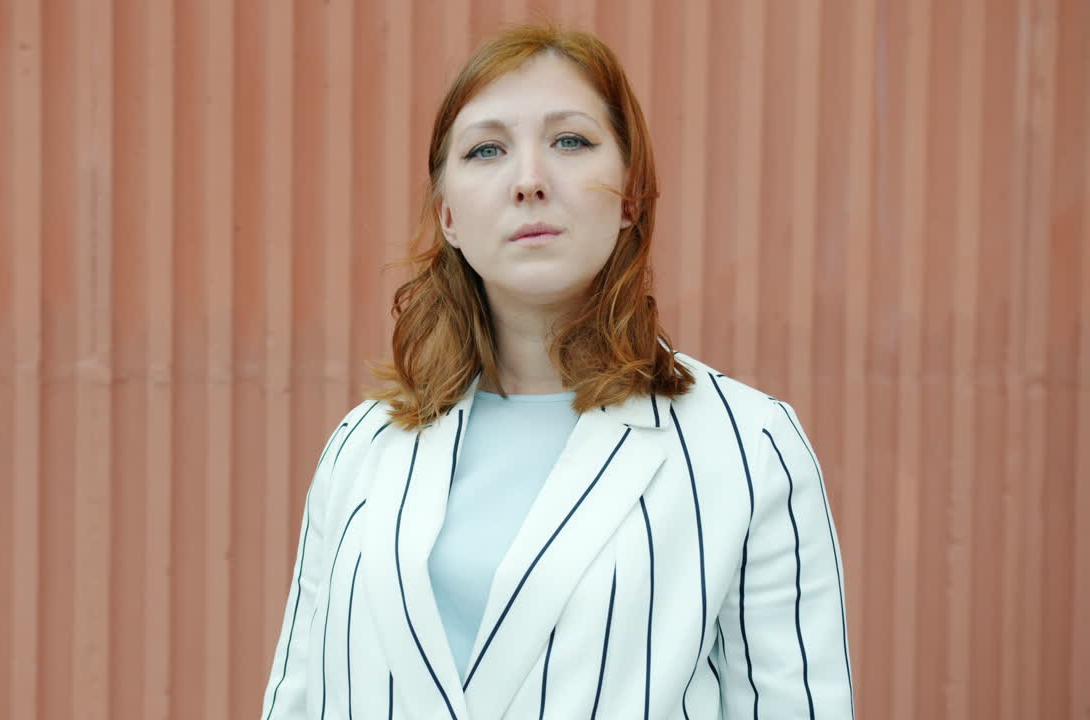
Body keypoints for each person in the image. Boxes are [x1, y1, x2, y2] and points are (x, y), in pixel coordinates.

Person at [261, 24, 853, 720]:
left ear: (630, 197)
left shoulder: (748, 447)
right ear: (448, 214)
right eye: (486, 149)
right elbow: (297, 700)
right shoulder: (361, 449)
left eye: (570, 141)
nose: (530, 181)